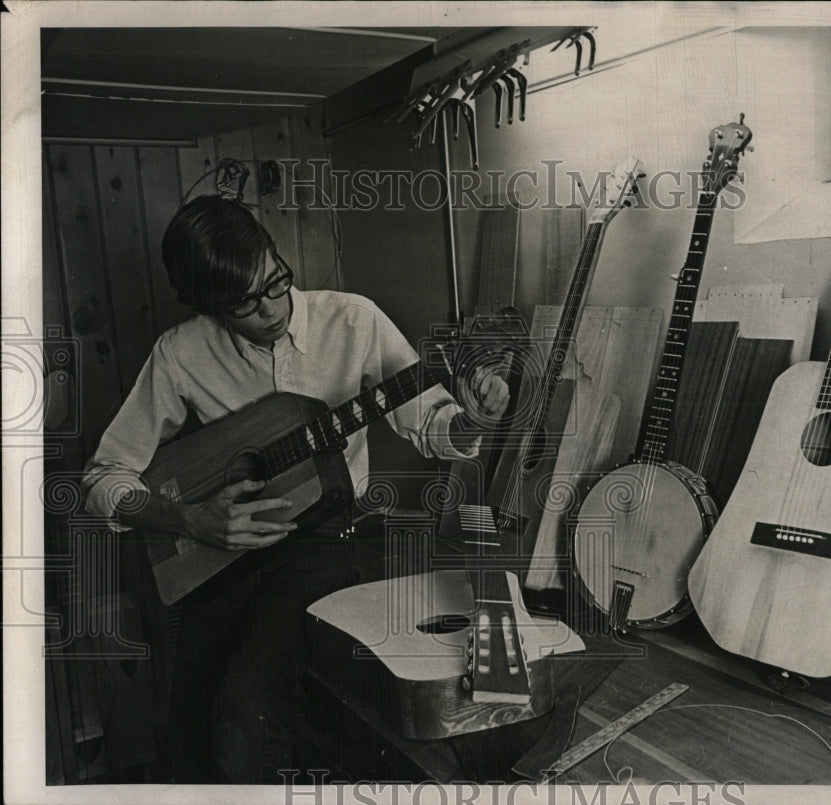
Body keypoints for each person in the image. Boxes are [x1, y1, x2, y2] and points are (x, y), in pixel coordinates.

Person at [80, 194, 509, 783]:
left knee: (242, 715)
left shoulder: (353, 319)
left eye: (276, 280)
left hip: (336, 537)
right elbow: (105, 477)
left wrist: (475, 419)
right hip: (228, 549)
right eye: (245, 303)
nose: (272, 309)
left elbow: (432, 427)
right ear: (208, 306)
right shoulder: (181, 354)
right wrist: (189, 519)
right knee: (188, 717)